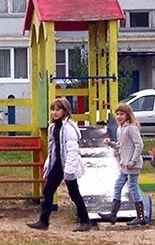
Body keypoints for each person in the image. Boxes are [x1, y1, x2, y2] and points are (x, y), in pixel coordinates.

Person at [26, 97, 93, 233]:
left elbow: (72, 150)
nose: (55, 112)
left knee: (74, 193)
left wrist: (69, 169)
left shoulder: (68, 128)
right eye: (53, 110)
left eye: (58, 109)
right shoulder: (53, 127)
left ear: (65, 111)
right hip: (58, 164)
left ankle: (85, 221)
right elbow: (53, 148)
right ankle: (44, 221)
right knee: (48, 190)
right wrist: (48, 164)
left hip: (68, 164)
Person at [107, 102, 147, 226]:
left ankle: (140, 216)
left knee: (133, 187)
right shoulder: (120, 129)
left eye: (122, 114)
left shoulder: (131, 128)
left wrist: (133, 161)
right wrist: (111, 144)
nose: (119, 116)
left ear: (128, 115)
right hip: (124, 165)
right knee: (118, 185)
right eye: (117, 114)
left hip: (132, 165)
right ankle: (113, 214)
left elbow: (139, 145)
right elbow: (121, 145)